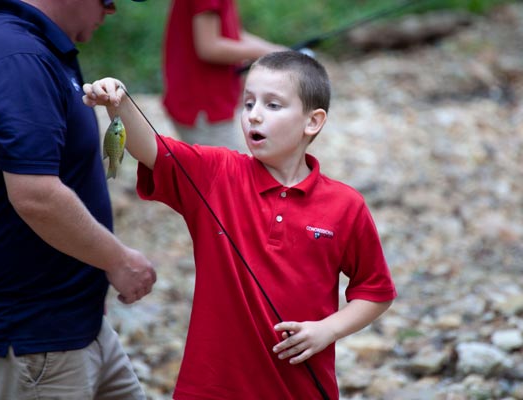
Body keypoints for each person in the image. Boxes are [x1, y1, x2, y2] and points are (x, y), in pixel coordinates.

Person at [83, 50, 397, 399]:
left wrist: (327, 330)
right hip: (209, 388)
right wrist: (120, 103)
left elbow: (375, 291)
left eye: (273, 105)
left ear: (313, 121)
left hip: (300, 389)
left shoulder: (345, 205)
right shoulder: (216, 173)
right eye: (248, 104)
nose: (254, 116)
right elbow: (151, 148)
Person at [0, 0, 156, 399]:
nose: (112, 10)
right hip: (32, 336)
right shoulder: (16, 57)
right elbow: (36, 195)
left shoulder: (33, 47)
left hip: (74, 323)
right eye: (108, 0)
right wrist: (118, 261)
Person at [162, 0, 287, 150]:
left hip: (200, 101)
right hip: (203, 105)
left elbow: (234, 35)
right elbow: (209, 47)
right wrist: (266, 53)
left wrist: (277, 52)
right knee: (226, 171)